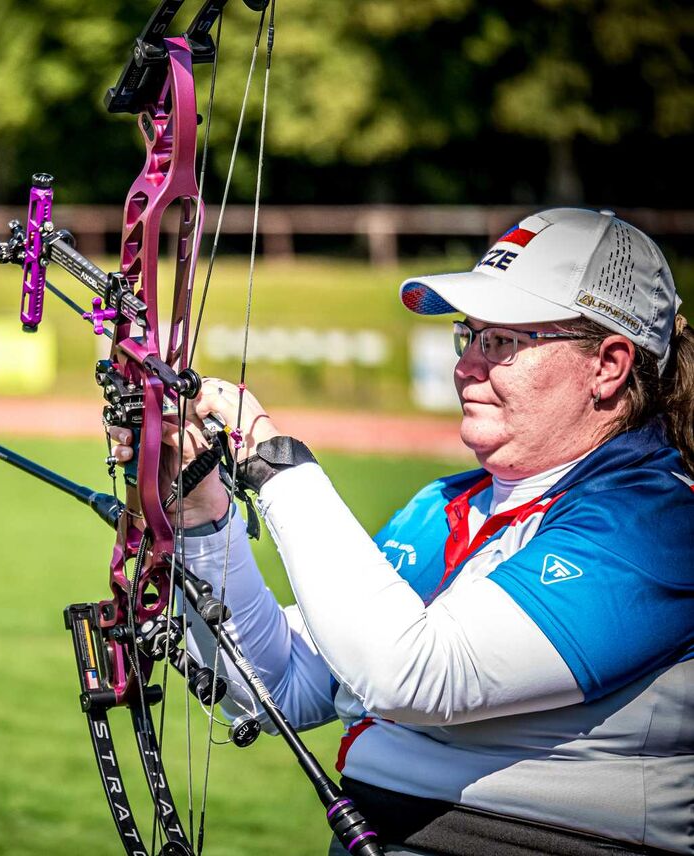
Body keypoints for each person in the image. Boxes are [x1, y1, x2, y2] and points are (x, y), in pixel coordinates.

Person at [112, 208, 694, 855]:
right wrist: (198, 505)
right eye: (468, 337)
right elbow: (284, 686)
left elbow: (413, 676)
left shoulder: (657, 525)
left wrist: (270, 455)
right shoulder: (443, 506)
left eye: (500, 342)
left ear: (608, 365)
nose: (467, 367)